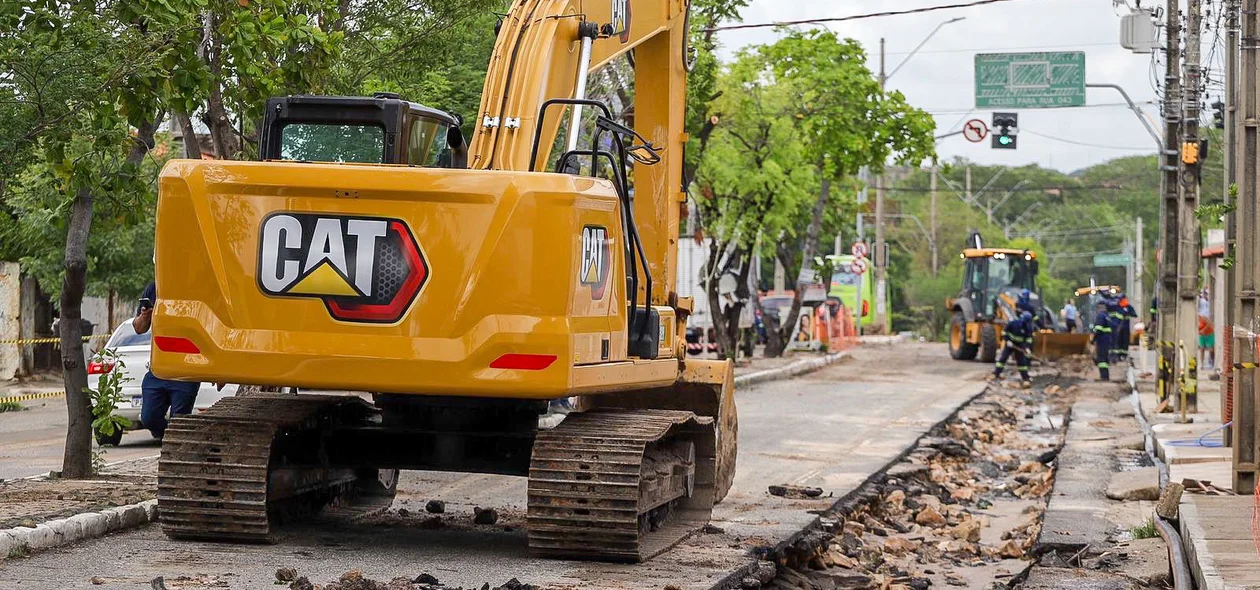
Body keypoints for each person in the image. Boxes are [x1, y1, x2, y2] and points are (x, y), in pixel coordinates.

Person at [132, 280, 202, 440]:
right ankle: (168, 438)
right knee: (148, 418)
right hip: (158, 370)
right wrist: (144, 316)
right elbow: (138, 328)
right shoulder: (154, 287)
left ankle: (175, 444)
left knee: (179, 422)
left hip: (187, 370)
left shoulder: (197, 286)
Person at [991, 311, 1035, 388]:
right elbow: (1004, 332)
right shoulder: (1013, 323)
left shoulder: (1028, 328)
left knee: (1021, 362)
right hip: (1010, 344)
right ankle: (996, 373)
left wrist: (1027, 348)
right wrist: (1007, 340)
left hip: (1019, 346)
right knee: (1003, 358)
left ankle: (1025, 378)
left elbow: (1028, 339)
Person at [1092, 301, 1114, 381]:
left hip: (1102, 340)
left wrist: (1093, 339)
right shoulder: (1107, 316)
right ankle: (1105, 375)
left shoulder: (1100, 316)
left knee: (1101, 359)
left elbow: (1098, 329)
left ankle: (1103, 376)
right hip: (1107, 339)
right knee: (1104, 358)